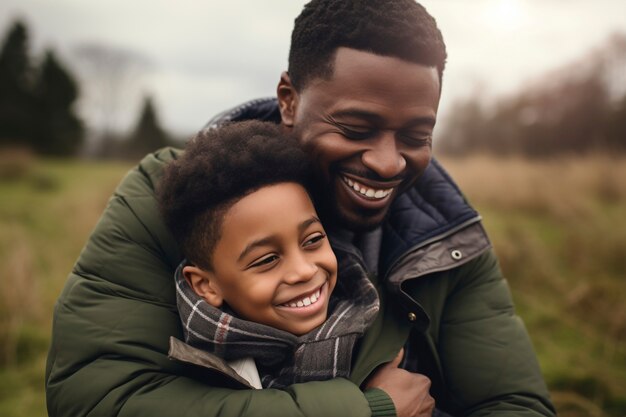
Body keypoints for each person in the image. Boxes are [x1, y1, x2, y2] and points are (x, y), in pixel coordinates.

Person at [45, 1, 556, 416]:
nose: (387, 162)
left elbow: (515, 403)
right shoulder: (172, 200)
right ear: (289, 99)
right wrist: (366, 409)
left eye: (416, 135)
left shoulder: (445, 235)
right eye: (355, 129)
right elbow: (96, 397)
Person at [157, 120, 379, 390]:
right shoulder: (191, 381)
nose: (304, 271)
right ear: (206, 285)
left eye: (313, 240)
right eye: (267, 259)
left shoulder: (382, 333)